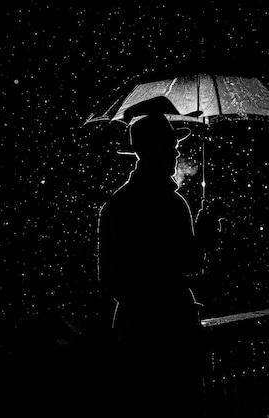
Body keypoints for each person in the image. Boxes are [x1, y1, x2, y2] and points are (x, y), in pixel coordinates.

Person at [97, 97, 205, 415]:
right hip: (169, 332)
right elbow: (189, 264)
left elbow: (110, 280)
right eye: (171, 146)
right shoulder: (173, 205)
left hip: (136, 332)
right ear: (154, 150)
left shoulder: (115, 205)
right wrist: (202, 241)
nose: (176, 152)